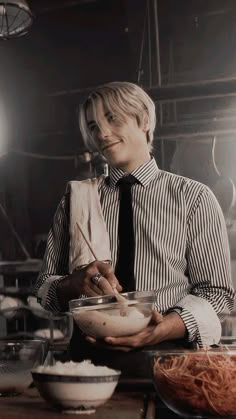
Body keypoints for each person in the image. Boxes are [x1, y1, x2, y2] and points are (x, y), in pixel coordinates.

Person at [35, 81, 235, 374]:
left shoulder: (193, 198)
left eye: (112, 119)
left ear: (143, 120)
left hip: (168, 364)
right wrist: (70, 284)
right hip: (88, 365)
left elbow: (218, 294)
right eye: (93, 126)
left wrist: (163, 328)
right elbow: (44, 289)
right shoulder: (76, 199)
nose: (101, 134)